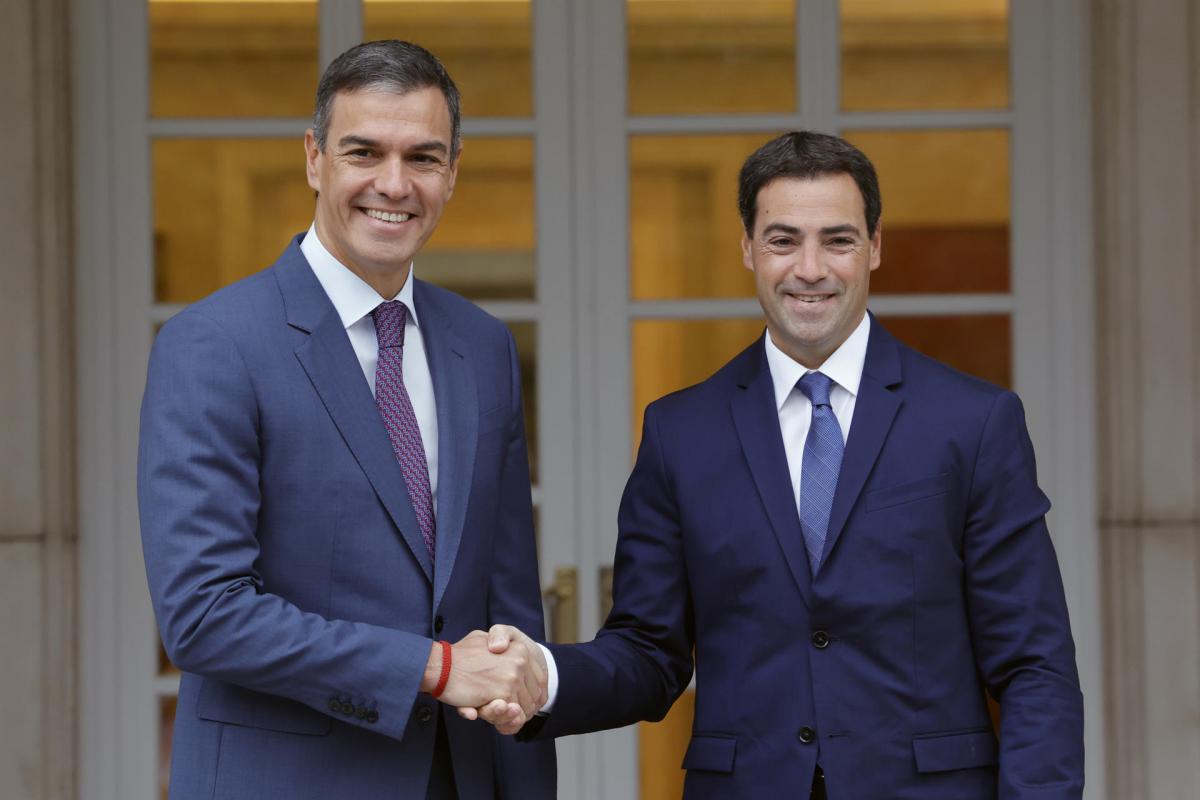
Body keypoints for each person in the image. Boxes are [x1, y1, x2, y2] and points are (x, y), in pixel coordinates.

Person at [485, 131, 1084, 798]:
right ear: (747, 247)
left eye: (838, 240)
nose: (810, 268)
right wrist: (544, 677)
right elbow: (649, 652)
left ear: (874, 246)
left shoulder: (973, 422)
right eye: (783, 240)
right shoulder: (680, 433)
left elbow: (1034, 663)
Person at [138, 40, 555, 800]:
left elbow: (509, 607)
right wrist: (434, 668)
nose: (394, 184)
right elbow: (203, 614)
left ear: (453, 171)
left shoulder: (482, 347)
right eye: (364, 152)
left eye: (423, 158)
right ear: (314, 159)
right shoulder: (215, 344)